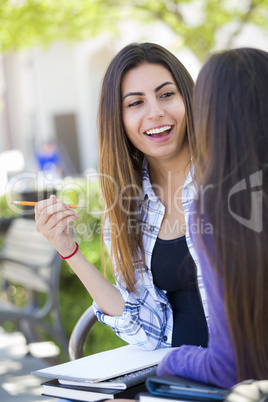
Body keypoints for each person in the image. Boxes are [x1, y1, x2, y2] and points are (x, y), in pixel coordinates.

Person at [35, 42, 209, 351]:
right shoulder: (127, 204)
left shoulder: (230, 172)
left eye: (166, 94)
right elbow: (145, 331)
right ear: (119, 119)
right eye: (135, 103)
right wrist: (68, 250)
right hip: (179, 375)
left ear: (188, 98)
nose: (156, 112)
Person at [157, 47, 268, 388]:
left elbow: (230, 366)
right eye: (134, 103)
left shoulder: (217, 211)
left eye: (167, 95)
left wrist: (170, 360)